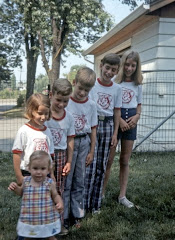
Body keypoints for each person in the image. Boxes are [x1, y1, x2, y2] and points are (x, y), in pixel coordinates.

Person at [103, 50, 143, 208]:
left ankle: (122, 196)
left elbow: (139, 104)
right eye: (127, 64)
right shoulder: (115, 81)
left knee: (125, 160)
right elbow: (112, 105)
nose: (129, 68)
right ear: (122, 65)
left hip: (131, 120)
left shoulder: (138, 83)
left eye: (133, 65)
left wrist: (137, 116)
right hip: (116, 119)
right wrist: (119, 120)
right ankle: (102, 193)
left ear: (137, 66)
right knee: (109, 160)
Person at [85, 53, 122, 214]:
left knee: (102, 165)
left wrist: (115, 134)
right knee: (89, 164)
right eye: (107, 68)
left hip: (108, 125)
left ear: (117, 71)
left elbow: (117, 111)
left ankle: (96, 203)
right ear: (101, 65)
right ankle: (85, 202)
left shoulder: (117, 88)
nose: (109, 72)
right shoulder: (93, 85)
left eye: (113, 70)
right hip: (93, 124)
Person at [63, 67, 97, 229]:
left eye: (87, 90)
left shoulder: (91, 105)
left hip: (84, 143)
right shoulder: (66, 102)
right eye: (80, 88)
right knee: (66, 180)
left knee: (79, 180)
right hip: (68, 143)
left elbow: (93, 128)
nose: (83, 93)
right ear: (74, 83)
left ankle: (76, 215)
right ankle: (64, 216)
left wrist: (92, 151)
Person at [8, 150, 63, 240]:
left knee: (50, 236)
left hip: (46, 217)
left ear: (48, 169)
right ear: (29, 168)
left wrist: (59, 202)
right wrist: (15, 189)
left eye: (42, 169)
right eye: (35, 168)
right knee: (27, 236)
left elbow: (55, 195)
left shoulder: (49, 183)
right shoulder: (26, 181)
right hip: (30, 218)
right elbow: (21, 192)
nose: (38, 172)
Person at [45, 78, 75, 235]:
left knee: (59, 190)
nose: (62, 104)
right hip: (45, 157)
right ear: (51, 95)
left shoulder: (69, 117)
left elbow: (70, 139)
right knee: (45, 189)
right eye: (58, 100)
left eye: (65, 101)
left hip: (61, 155)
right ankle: (42, 223)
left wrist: (69, 161)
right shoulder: (45, 115)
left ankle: (59, 223)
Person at [12, 93, 55, 186]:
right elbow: (16, 154)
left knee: (44, 199)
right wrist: (19, 176)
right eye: (40, 113)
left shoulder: (47, 131)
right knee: (29, 199)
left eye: (46, 113)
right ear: (31, 111)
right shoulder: (24, 131)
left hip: (45, 173)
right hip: (28, 173)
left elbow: (50, 156)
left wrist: (52, 174)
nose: (43, 117)